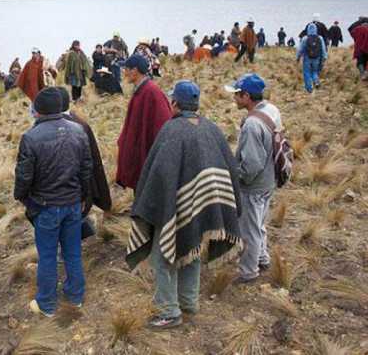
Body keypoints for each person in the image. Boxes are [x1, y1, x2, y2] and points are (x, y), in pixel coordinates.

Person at [126, 80, 242, 329]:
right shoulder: (211, 128)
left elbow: (158, 174)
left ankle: (169, 311)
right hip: (208, 206)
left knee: (162, 256)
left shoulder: (172, 131)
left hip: (179, 206)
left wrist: (152, 206)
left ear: (175, 103)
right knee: (192, 247)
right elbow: (230, 168)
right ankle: (188, 302)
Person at [14, 87, 92, 317]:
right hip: (72, 204)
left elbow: (23, 176)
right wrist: (83, 199)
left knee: (47, 256)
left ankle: (47, 305)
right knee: (73, 252)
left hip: (46, 206)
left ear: (38, 110)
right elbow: (86, 169)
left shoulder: (30, 137)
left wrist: (22, 198)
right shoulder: (79, 131)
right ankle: (75, 297)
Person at [224, 74, 282, 283]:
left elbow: (251, 166)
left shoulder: (251, 125)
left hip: (253, 186)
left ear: (246, 96)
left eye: (237, 95)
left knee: (249, 230)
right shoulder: (271, 109)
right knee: (260, 223)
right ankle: (263, 258)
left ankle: (249, 271)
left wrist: (234, 176)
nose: (234, 99)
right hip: (269, 180)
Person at [116, 55, 173, 191]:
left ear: (135, 70)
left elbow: (163, 127)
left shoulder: (151, 92)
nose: (124, 72)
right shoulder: (140, 91)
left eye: (126, 69)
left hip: (147, 159)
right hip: (141, 157)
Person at [57, 87, 112, 226]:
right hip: (80, 194)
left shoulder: (42, 129)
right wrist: (105, 202)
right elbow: (96, 163)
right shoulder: (81, 125)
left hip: (56, 198)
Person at [297, 23, 327, 93]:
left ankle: (309, 88)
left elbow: (300, 49)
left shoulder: (305, 38)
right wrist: (324, 57)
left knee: (307, 72)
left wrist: (298, 57)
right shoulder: (320, 38)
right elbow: (323, 49)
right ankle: (316, 81)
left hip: (307, 58)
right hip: (317, 58)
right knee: (315, 71)